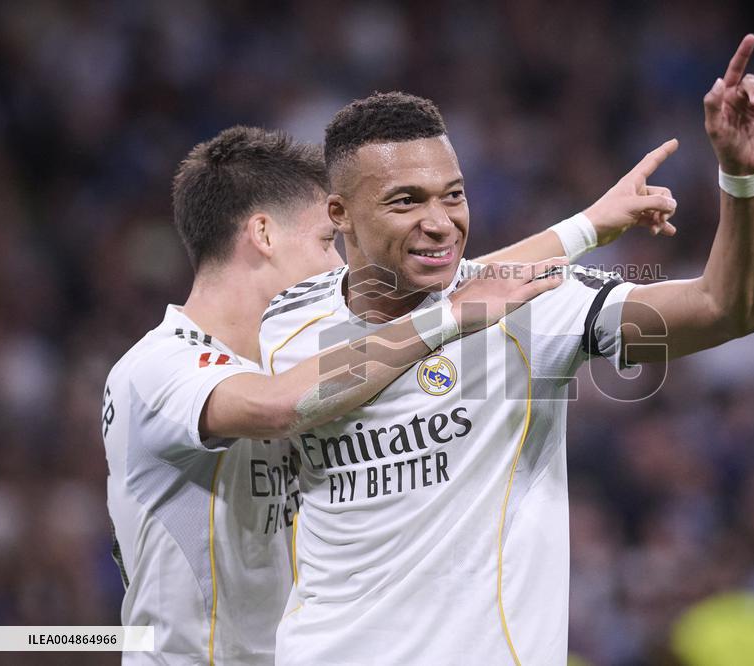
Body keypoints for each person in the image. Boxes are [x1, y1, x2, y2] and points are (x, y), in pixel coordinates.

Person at [260, 34, 754, 665]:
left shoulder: (532, 306)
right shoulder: (282, 325)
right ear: (338, 213)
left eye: (453, 195)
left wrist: (744, 179)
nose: (440, 221)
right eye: (406, 201)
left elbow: (726, 308)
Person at [103, 124, 677, 664]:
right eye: (328, 240)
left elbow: (465, 286)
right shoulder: (159, 368)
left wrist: (588, 227)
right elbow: (277, 405)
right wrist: (452, 316)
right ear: (263, 235)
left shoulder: (304, 353)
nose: (339, 262)